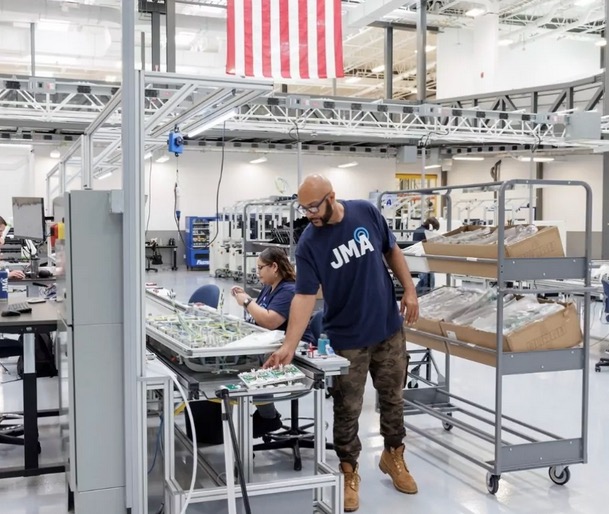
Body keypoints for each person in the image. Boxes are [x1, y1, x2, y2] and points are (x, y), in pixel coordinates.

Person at [264, 175, 419, 512]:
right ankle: (348, 471)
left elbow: (391, 250)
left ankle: (394, 455)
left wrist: (409, 289)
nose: (309, 215)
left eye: (313, 207)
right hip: (347, 339)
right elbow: (304, 296)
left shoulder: (366, 212)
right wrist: (289, 344)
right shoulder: (309, 243)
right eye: (303, 209)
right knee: (347, 409)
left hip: (388, 328)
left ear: (331, 197)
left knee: (393, 399)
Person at [231, 247, 314, 437]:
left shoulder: (288, 290)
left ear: (274, 267)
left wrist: (247, 302)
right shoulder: (269, 287)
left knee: (249, 364)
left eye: (260, 268)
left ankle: (268, 418)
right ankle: (265, 414)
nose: (257, 272)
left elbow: (269, 321)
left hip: (293, 350)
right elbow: (258, 315)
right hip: (270, 343)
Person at [412, 217, 440, 296]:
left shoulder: (418, 230)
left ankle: (415, 294)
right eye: (434, 228)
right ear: (431, 226)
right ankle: (416, 294)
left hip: (420, 259)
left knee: (426, 281)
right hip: (423, 259)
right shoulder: (424, 232)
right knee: (427, 282)